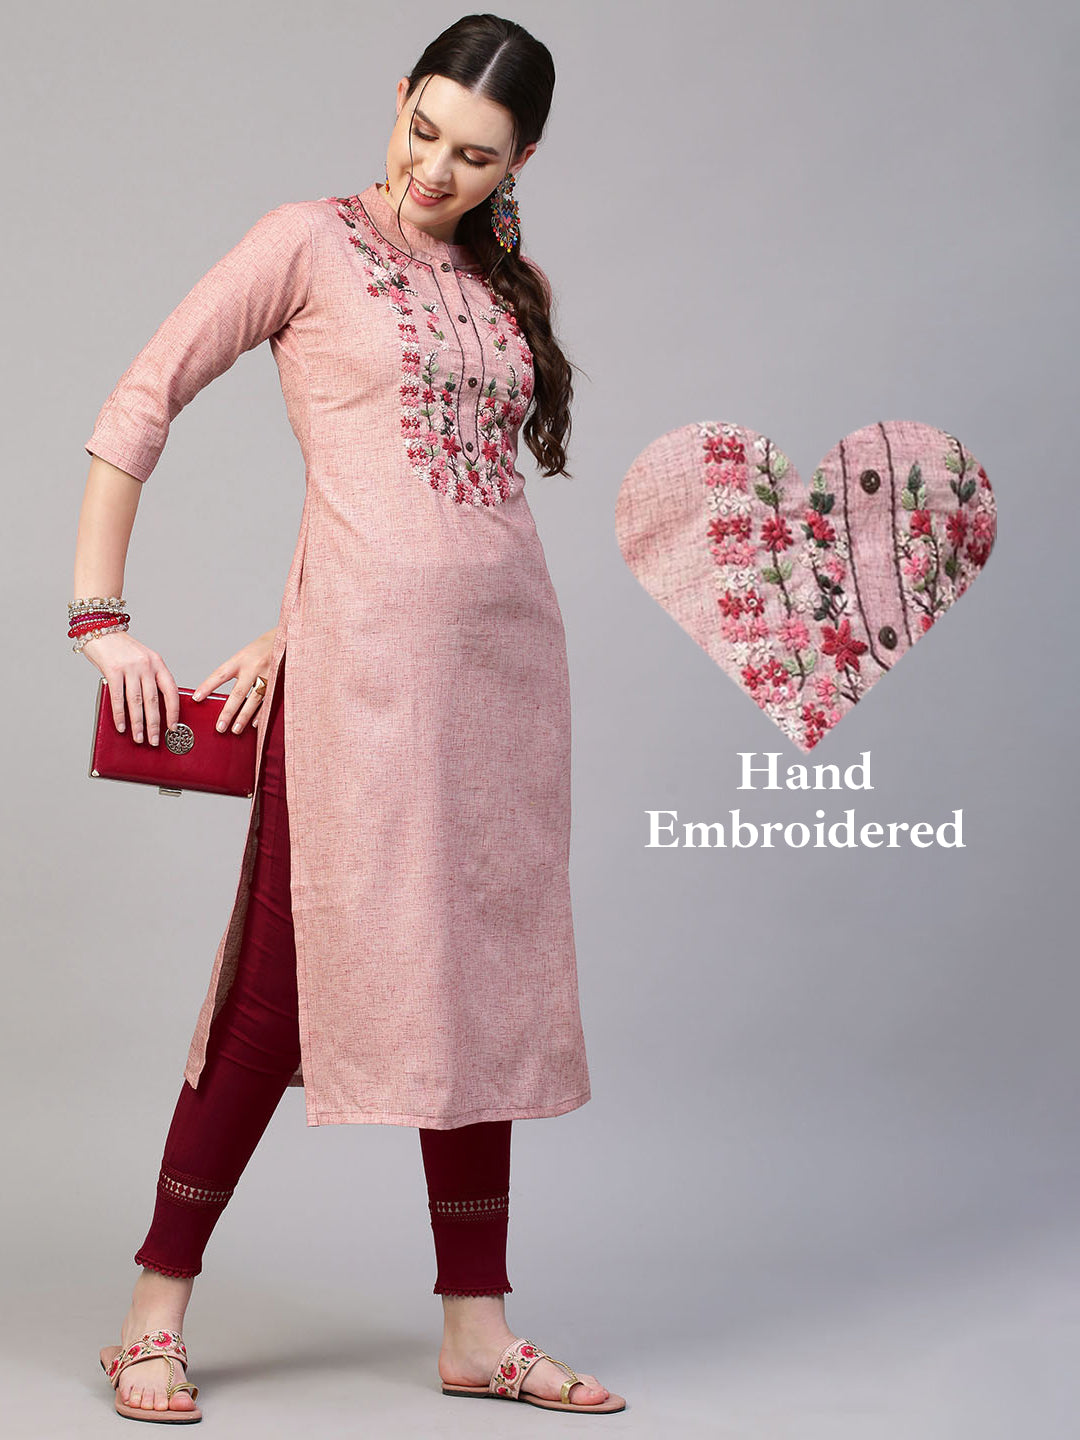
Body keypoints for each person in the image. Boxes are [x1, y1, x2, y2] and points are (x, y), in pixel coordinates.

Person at [74, 13, 625, 1422]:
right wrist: (100, 616)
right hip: (362, 692)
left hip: (507, 680)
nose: (435, 169)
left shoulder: (504, 282)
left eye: (476, 156)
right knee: (277, 993)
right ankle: (152, 1310)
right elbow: (143, 396)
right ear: (399, 96)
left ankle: (476, 1328)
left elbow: (421, 493)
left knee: (479, 988)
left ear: (522, 163)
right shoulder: (308, 243)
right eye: (422, 129)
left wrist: (295, 604)